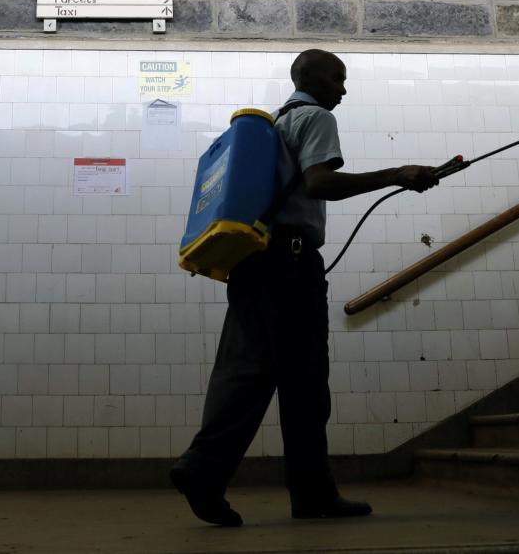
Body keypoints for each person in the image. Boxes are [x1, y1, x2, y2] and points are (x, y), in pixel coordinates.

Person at [170, 49, 439, 527]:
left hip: (252, 264)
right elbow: (319, 183)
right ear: (309, 77)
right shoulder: (314, 117)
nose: (343, 89)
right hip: (291, 267)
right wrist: (398, 174)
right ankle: (298, 491)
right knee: (306, 385)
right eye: (337, 78)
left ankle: (210, 472)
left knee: (243, 372)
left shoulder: (274, 123)